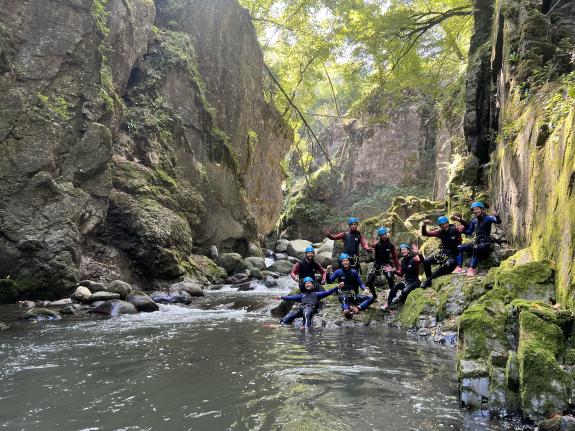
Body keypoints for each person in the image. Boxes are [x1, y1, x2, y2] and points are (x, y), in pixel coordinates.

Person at [452, 202, 501, 277]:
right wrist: (462, 231)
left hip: (487, 242)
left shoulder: (488, 218)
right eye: (474, 210)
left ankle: (471, 268)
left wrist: (496, 216)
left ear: (482, 209)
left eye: (477, 209)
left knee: (476, 247)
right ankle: (459, 267)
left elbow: (498, 221)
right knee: (459, 248)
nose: (475, 211)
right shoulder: (474, 220)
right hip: (477, 241)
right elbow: (469, 232)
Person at [420, 216, 465, 288]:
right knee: (426, 261)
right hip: (444, 253)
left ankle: (428, 280)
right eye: (442, 225)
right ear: (440, 226)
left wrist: (459, 219)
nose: (444, 226)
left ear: (448, 222)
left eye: (445, 223)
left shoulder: (455, 229)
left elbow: (467, 227)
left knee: (447, 265)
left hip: (454, 255)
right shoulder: (440, 232)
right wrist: (424, 225)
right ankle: (429, 281)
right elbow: (425, 233)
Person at [327, 253, 374, 319]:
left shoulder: (354, 272)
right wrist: (328, 273)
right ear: (341, 263)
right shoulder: (338, 272)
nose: (345, 262)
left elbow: (360, 283)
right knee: (344, 299)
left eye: (346, 260)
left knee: (371, 298)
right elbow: (329, 281)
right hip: (342, 293)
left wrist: (365, 288)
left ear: (349, 262)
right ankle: (346, 311)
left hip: (352, 294)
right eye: (343, 261)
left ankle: (357, 308)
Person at [381, 243, 423, 310]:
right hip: (407, 282)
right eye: (401, 250)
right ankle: (387, 303)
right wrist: (393, 270)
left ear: (408, 250)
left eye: (404, 249)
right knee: (395, 286)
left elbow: (420, 260)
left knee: (404, 291)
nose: (403, 251)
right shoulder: (403, 261)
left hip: (415, 282)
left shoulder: (414, 258)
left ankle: (399, 299)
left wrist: (418, 254)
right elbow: (401, 273)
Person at [366, 227, 400, 300]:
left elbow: (395, 257)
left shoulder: (390, 245)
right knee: (369, 281)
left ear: (387, 234)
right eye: (382, 235)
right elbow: (369, 249)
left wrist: (398, 269)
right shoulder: (377, 244)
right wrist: (370, 246)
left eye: (385, 234)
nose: (384, 236)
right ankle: (374, 296)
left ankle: (393, 296)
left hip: (386, 264)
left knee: (390, 278)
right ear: (380, 236)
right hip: (377, 264)